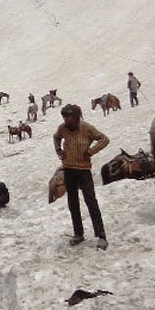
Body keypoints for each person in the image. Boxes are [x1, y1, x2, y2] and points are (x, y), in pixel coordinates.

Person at [53, 104, 109, 249]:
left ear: (77, 117)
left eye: (69, 116)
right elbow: (56, 138)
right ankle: (78, 233)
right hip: (68, 169)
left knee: (90, 201)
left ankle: (101, 235)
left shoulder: (87, 128)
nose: (66, 119)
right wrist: (59, 150)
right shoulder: (62, 128)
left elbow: (104, 139)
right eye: (64, 117)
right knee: (73, 203)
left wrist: (91, 151)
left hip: (83, 170)